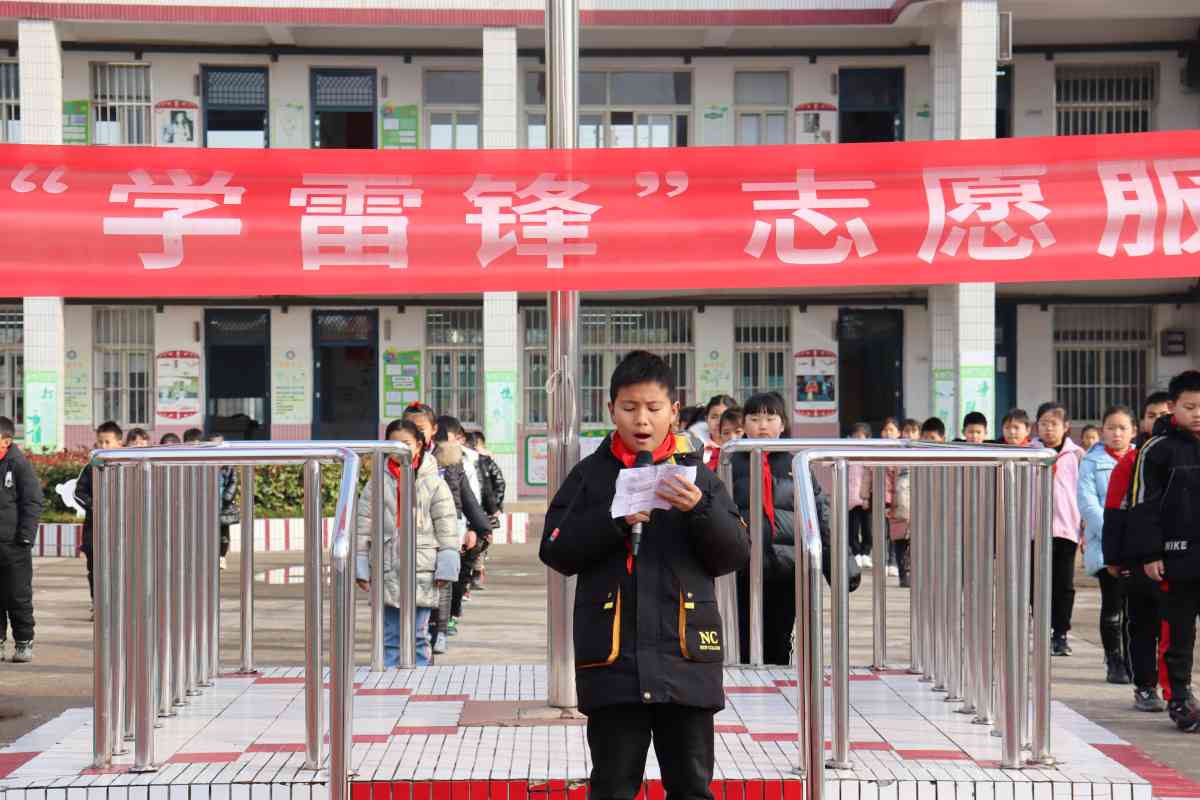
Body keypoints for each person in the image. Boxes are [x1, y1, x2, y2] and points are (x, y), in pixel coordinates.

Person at [540, 350, 748, 800]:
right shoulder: (590, 476)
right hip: (613, 662)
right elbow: (555, 549)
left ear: (673, 410)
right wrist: (613, 520)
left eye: (653, 408)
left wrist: (700, 509)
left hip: (685, 659)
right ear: (610, 409)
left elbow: (734, 553)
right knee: (613, 787)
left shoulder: (698, 476)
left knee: (691, 787)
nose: (641, 420)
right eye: (629, 407)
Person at [730, 392, 848, 664]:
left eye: (770, 418)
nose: (762, 425)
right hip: (742, 565)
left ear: (782, 424)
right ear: (743, 424)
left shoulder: (797, 464)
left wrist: (841, 566)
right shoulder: (730, 463)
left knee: (780, 634)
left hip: (786, 565)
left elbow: (820, 513)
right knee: (743, 634)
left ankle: (779, 673)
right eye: (754, 418)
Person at [1127, 371, 1200, 731]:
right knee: (1178, 634)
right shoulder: (1156, 450)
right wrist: (1150, 553)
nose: (1198, 414)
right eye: (1190, 407)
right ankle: (1180, 698)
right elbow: (1142, 506)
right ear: (1172, 407)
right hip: (1177, 560)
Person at [356, 419, 458, 666]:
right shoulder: (376, 482)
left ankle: (419, 677)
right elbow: (363, 525)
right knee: (390, 636)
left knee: (418, 635)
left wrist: (447, 562)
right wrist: (360, 563)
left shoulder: (434, 482)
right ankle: (391, 678)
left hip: (422, 567)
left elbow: (446, 524)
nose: (399, 449)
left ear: (419, 445)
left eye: (405, 444)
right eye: (393, 444)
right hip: (387, 565)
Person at [1104, 391, 1175, 712]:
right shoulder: (1131, 462)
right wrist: (1114, 557)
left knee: (1175, 629)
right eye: (1151, 415)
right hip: (1137, 557)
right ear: (1141, 423)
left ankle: (1178, 689)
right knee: (1143, 625)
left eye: (1165, 413)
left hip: (1179, 557)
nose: (1159, 420)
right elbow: (1114, 511)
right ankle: (1145, 686)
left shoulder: (1185, 455)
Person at [1078, 405, 1136, 685]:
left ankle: (1133, 659)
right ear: (1102, 431)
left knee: (1134, 608)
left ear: (1133, 431)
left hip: (1138, 545)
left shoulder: (1143, 457)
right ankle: (1114, 659)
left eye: (1122, 428)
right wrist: (1114, 534)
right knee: (1112, 604)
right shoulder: (1091, 461)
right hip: (1105, 545)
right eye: (1111, 428)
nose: (1116, 433)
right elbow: (1088, 503)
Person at [432, 420, 492, 654]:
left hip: (455, 528)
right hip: (424, 529)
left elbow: (471, 495)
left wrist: (478, 527)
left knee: (450, 578)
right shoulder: (417, 461)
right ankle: (429, 628)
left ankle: (443, 626)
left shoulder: (463, 460)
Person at [1036, 402, 1084, 656]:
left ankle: (1060, 634)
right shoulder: (1029, 452)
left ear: (1066, 427)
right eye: (1043, 423)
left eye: (1053, 424)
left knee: (1063, 585)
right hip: (1034, 530)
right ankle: (1041, 628)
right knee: (1035, 584)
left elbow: (1084, 492)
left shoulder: (1077, 455)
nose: (1048, 429)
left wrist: (1084, 526)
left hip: (1066, 529)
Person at [0, 417, 45, 664]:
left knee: (18, 595)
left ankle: (24, 641)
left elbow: (33, 501)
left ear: (6, 441)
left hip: (15, 545)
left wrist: (26, 537)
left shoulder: (19, 465)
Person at [73, 421, 122, 616]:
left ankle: (119, 605)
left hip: (121, 529)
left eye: (108, 442)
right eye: (100, 442)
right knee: (96, 569)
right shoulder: (91, 468)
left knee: (120, 569)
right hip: (95, 530)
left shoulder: (128, 466)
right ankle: (98, 606)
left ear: (119, 443)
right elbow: (79, 492)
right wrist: (94, 505)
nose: (103, 446)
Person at [888, 419, 921, 587]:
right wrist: (888, 502)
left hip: (918, 509)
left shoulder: (924, 455)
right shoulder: (895, 455)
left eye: (914, 431)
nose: (910, 435)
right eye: (907, 431)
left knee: (916, 544)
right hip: (898, 508)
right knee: (899, 543)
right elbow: (887, 480)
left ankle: (915, 574)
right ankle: (903, 575)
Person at [208, 435, 239, 571]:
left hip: (223, 504)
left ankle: (221, 556)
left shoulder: (228, 465)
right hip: (208, 503)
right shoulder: (204, 462)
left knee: (223, 533)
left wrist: (227, 497)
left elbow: (233, 482)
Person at [847, 422, 873, 568]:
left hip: (865, 498)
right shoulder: (847, 453)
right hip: (851, 499)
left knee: (867, 528)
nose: (857, 439)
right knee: (852, 528)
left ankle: (866, 553)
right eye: (855, 436)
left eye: (861, 437)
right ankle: (856, 553)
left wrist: (867, 497)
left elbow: (869, 477)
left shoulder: (868, 454)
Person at [700, 395, 738, 471]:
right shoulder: (697, 447)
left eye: (725, 416)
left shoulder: (743, 447)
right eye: (714, 417)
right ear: (706, 419)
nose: (719, 422)